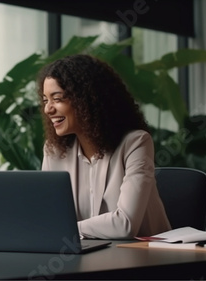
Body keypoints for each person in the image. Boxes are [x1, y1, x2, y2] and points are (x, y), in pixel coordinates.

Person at [37, 54, 171, 239]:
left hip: (145, 259)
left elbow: (125, 225)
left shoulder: (136, 143)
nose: (48, 109)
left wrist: (67, 229)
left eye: (57, 99)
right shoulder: (54, 152)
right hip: (86, 258)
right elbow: (48, 220)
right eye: (45, 100)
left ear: (86, 99)